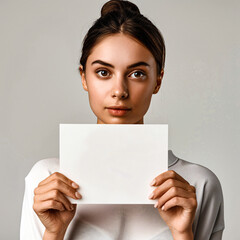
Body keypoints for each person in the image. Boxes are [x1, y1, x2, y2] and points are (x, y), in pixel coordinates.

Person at [20, 0, 225, 239]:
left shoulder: (199, 184)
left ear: (157, 81)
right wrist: (54, 232)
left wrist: (182, 233)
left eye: (137, 73)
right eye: (103, 72)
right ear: (84, 78)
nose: (119, 91)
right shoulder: (46, 180)